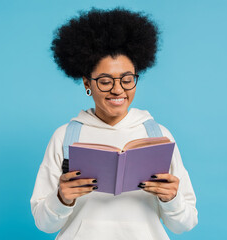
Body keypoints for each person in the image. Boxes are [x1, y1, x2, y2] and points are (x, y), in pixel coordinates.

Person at [30, 7, 198, 240]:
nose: (118, 90)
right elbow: (43, 223)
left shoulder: (158, 135)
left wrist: (171, 198)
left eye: (127, 80)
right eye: (106, 81)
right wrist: (61, 198)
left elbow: (186, 223)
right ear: (87, 83)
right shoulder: (65, 136)